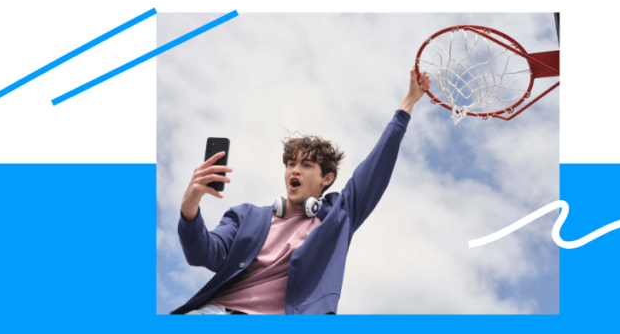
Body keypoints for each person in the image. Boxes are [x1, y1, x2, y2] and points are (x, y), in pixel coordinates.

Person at [171, 68, 431, 315]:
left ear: (326, 178)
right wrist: (190, 207)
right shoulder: (244, 217)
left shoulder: (337, 218)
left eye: (306, 165)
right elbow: (203, 254)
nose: (295, 171)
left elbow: (375, 170)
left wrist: (407, 104)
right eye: (291, 164)